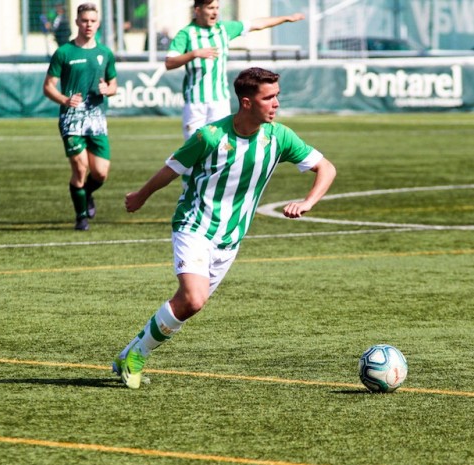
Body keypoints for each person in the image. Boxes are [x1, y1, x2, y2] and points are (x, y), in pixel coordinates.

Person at [113, 67, 337, 389]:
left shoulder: (280, 137)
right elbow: (172, 169)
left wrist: (308, 202)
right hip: (194, 225)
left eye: (277, 96)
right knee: (193, 299)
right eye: (268, 97)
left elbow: (325, 168)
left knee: (186, 305)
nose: (276, 104)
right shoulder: (210, 136)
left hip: (231, 239)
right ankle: (136, 358)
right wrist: (141, 196)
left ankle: (130, 353)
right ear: (246, 103)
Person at [165, 0, 305, 139]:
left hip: (220, 101)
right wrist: (194, 54)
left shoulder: (223, 29)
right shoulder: (186, 34)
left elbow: (257, 24)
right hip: (195, 102)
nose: (215, 12)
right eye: (210, 8)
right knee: (193, 146)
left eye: (217, 8)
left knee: (221, 144)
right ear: (198, 10)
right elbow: (169, 63)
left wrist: (286, 18)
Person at [43, 2, 118, 231]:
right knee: (80, 167)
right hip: (71, 119)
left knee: (101, 172)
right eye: (84, 20)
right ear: (77, 22)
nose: (88, 25)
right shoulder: (64, 52)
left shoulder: (105, 53)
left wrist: (109, 90)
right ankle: (81, 217)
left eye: (93, 21)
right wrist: (65, 100)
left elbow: (114, 84)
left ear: (98, 23)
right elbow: (48, 87)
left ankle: (86, 195)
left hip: (96, 119)